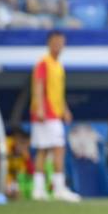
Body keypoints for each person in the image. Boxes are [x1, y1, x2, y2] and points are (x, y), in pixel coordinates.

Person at [30, 31, 81, 202]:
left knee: (44, 150)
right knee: (57, 148)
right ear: (49, 43)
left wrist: (65, 109)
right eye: (56, 42)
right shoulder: (43, 63)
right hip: (46, 114)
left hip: (55, 113)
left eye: (61, 42)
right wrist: (40, 108)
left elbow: (57, 92)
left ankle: (39, 190)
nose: (59, 46)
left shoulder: (58, 65)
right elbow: (39, 85)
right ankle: (58, 188)